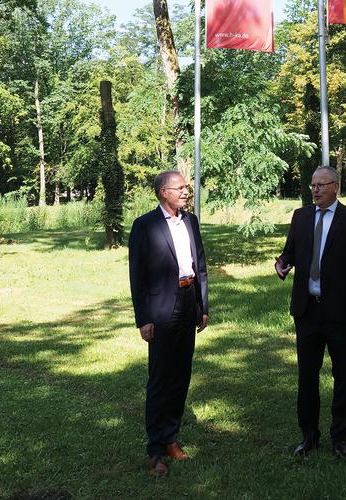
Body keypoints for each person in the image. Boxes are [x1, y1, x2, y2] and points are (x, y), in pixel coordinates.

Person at [275, 166, 346, 458]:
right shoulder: (301, 216)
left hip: (340, 313)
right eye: (313, 185)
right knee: (307, 376)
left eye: (321, 185)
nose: (314, 190)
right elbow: (289, 252)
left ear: (336, 187)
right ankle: (309, 435)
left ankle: (339, 436)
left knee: (342, 375)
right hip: (307, 311)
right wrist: (281, 263)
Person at [128, 170, 209, 476]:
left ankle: (172, 438)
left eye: (186, 187)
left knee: (181, 375)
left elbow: (199, 265)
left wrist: (203, 306)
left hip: (189, 305)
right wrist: (144, 318)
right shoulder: (145, 226)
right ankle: (156, 450)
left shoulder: (190, 221)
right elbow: (137, 276)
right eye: (180, 188)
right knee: (160, 380)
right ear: (164, 192)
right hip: (161, 311)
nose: (186, 192)